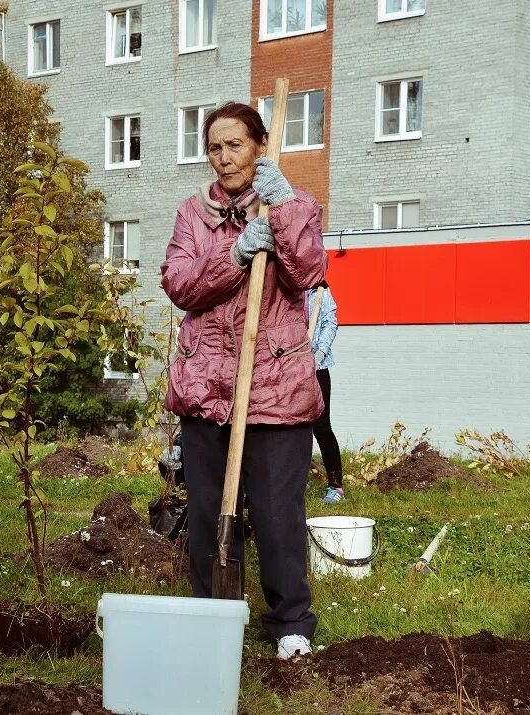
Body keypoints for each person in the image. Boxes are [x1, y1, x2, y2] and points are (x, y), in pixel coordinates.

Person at [160, 101, 327, 660]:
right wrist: (234, 254)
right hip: (208, 389)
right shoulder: (193, 213)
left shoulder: (297, 204)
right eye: (214, 147)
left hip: (276, 386)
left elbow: (306, 273)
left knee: (280, 515)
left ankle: (291, 626)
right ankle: (209, 613)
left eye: (234, 145)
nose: (224, 157)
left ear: (259, 145)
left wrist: (282, 208)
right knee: (207, 512)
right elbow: (180, 284)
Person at [307, 280, 343, 504]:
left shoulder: (320, 291)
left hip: (318, 367)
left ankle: (336, 486)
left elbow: (331, 322)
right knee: (295, 427)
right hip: (290, 369)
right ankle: (297, 481)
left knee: (321, 426)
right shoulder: (288, 289)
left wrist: (319, 353)